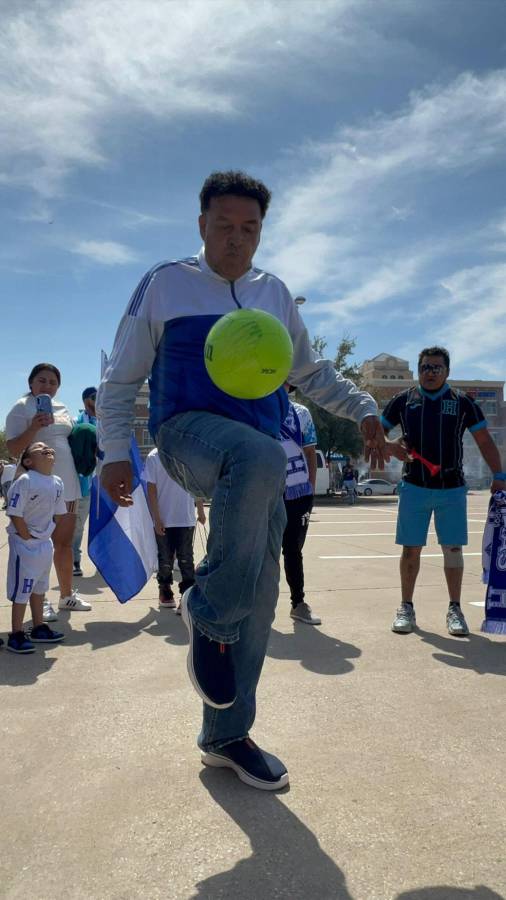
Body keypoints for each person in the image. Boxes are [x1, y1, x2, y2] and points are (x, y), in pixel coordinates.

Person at [97, 170, 387, 791]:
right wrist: (112, 453)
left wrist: (364, 407)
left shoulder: (273, 293)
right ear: (201, 225)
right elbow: (121, 378)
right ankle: (206, 607)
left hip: (259, 461)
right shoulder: (165, 283)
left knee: (260, 592)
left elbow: (310, 371)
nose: (236, 239)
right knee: (254, 462)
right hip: (187, 436)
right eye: (224, 226)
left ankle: (225, 735)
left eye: (249, 228)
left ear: (261, 231)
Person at [382, 346, 505, 636]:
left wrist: (499, 475)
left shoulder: (462, 402)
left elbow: (485, 441)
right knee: (411, 548)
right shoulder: (403, 400)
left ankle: (454, 609)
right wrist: (389, 446)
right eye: (425, 367)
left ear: (447, 371)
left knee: (452, 550)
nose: (431, 372)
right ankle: (406, 607)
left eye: (437, 367)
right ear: (419, 370)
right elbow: (377, 433)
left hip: (452, 489)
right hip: (414, 487)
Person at [5, 363, 92, 620]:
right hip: (35, 490)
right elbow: (12, 449)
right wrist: (33, 427)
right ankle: (38, 602)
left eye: (53, 382)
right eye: (42, 380)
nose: (47, 385)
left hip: (65, 485)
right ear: (31, 383)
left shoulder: (63, 408)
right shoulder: (21, 408)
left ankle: (66, 597)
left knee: (63, 544)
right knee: (35, 546)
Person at [5, 442, 66, 653]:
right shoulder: (25, 480)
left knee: (39, 587)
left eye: (49, 447)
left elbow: (59, 511)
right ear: (29, 461)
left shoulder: (57, 482)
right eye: (39, 448)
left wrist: (49, 529)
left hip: (44, 544)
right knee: (23, 589)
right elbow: (14, 511)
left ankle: (39, 626)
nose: (46, 448)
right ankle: (16, 634)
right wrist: (25, 535)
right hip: (25, 545)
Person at [144, 448, 206, 611]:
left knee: (186, 559)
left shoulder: (189, 454)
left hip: (185, 517)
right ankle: (165, 590)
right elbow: (151, 490)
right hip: (164, 518)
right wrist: (156, 518)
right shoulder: (154, 457)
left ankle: (187, 595)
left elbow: (196, 485)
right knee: (165, 559)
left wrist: (200, 510)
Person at [280, 386, 321, 625]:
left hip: (297, 492)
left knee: (293, 550)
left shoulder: (300, 412)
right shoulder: (254, 407)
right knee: (261, 551)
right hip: (265, 492)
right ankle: (253, 605)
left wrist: (310, 491)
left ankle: (298, 603)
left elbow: (309, 453)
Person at [72, 387, 97, 577]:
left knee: (110, 522)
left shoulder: (107, 422)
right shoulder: (75, 423)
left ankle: (105, 561)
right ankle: (74, 560)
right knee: (78, 525)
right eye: (93, 398)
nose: (97, 402)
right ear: (85, 401)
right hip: (83, 485)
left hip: (105, 485)